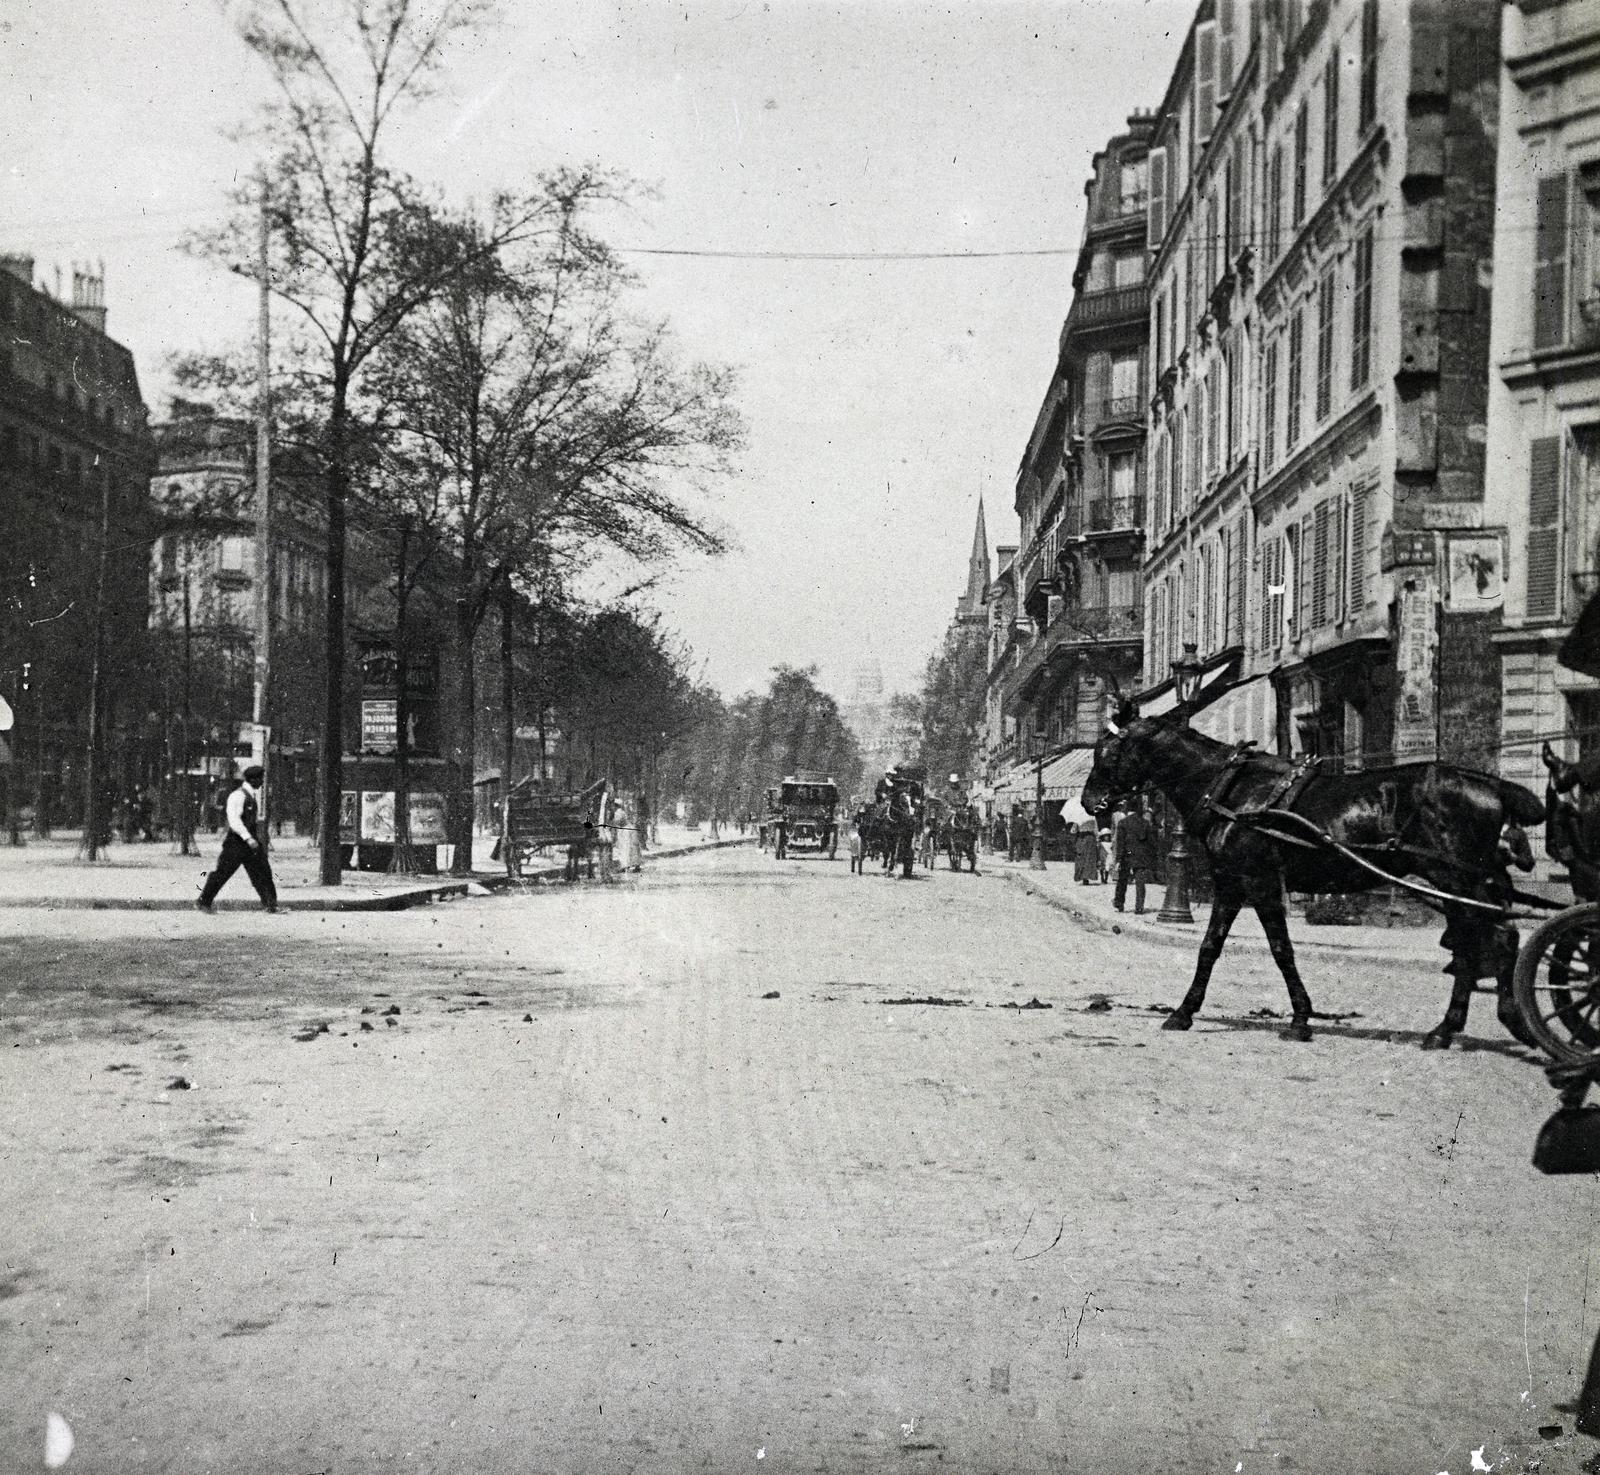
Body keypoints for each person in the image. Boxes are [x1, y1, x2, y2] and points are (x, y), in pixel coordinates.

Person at [196, 765, 277, 913]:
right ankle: (204, 902)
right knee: (223, 872)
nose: (262, 782)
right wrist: (248, 838)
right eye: (260, 779)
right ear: (253, 779)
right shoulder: (238, 796)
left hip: (249, 840)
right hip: (237, 841)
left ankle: (270, 904)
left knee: (262, 871)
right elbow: (234, 821)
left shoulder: (251, 795)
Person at [1114, 799, 1159, 914]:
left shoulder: (1123, 823)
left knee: (1122, 880)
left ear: (1127, 808)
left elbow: (1120, 843)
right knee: (1140, 882)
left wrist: (1118, 859)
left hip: (1127, 854)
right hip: (1141, 855)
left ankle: (1119, 904)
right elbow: (1151, 842)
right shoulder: (1145, 823)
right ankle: (1139, 907)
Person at [1073, 819, 1101, 884]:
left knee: (1081, 857)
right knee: (1089, 858)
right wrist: (1097, 839)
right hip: (1090, 838)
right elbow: (1096, 830)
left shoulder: (1078, 817)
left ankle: (1083, 876)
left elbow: (1073, 830)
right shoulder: (1092, 817)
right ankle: (1087, 876)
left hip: (1081, 838)